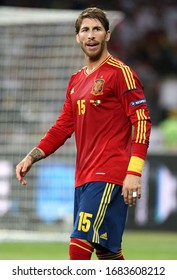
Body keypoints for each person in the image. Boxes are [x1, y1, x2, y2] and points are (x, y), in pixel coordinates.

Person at [16, 7, 152, 260]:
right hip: (84, 176)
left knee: (78, 245)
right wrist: (32, 156)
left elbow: (142, 121)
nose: (91, 35)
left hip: (109, 174)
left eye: (97, 29)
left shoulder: (120, 73)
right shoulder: (76, 80)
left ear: (108, 35)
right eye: (85, 30)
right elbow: (63, 126)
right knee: (107, 252)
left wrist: (133, 172)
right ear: (77, 37)